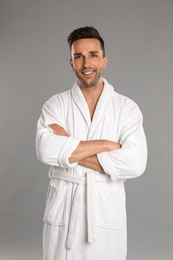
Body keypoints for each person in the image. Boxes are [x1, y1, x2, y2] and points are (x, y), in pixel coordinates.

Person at [36, 26, 147, 260]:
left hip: (105, 214)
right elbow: (45, 150)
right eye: (79, 56)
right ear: (71, 63)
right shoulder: (55, 105)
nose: (86, 64)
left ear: (104, 60)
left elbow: (135, 163)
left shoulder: (126, 108)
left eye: (93, 55)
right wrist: (107, 144)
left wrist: (67, 147)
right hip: (64, 214)